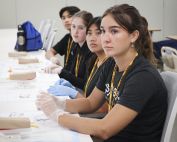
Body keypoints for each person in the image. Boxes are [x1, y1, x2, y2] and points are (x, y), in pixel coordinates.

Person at [37, 4, 167, 142]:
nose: (105, 38)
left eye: (114, 31)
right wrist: (59, 103)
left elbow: (104, 129)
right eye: (103, 31)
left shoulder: (143, 77)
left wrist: (57, 115)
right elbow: (90, 103)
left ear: (133, 36)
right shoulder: (111, 63)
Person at [48, 17, 110, 112]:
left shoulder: (110, 64)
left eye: (98, 33)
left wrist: (74, 94)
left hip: (95, 117)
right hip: (87, 109)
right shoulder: (94, 60)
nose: (92, 38)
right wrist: (72, 89)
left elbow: (101, 110)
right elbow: (88, 96)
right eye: (89, 33)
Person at [45, 11, 94, 90]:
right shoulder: (76, 46)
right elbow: (71, 74)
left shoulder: (91, 52)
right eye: (73, 26)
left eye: (81, 28)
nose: (75, 31)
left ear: (89, 30)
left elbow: (85, 85)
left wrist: (61, 71)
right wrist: (59, 70)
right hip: (74, 88)